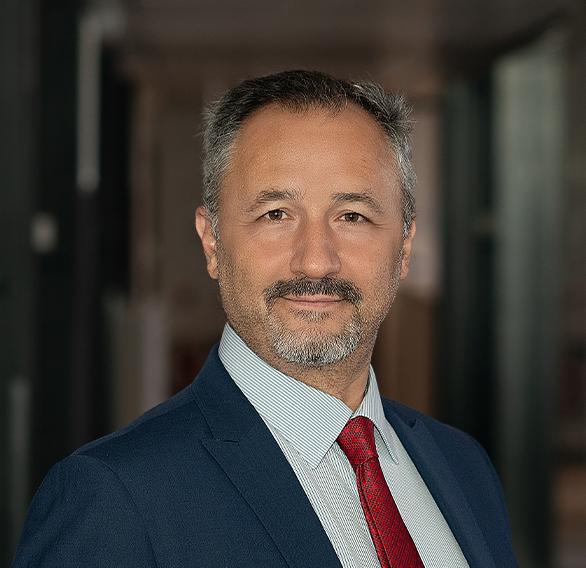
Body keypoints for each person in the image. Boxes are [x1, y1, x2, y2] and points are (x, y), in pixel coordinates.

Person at [13, 70, 518, 567]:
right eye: (276, 214)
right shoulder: (114, 498)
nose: (316, 261)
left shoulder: (463, 466)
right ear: (212, 242)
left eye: (353, 216)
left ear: (404, 246)